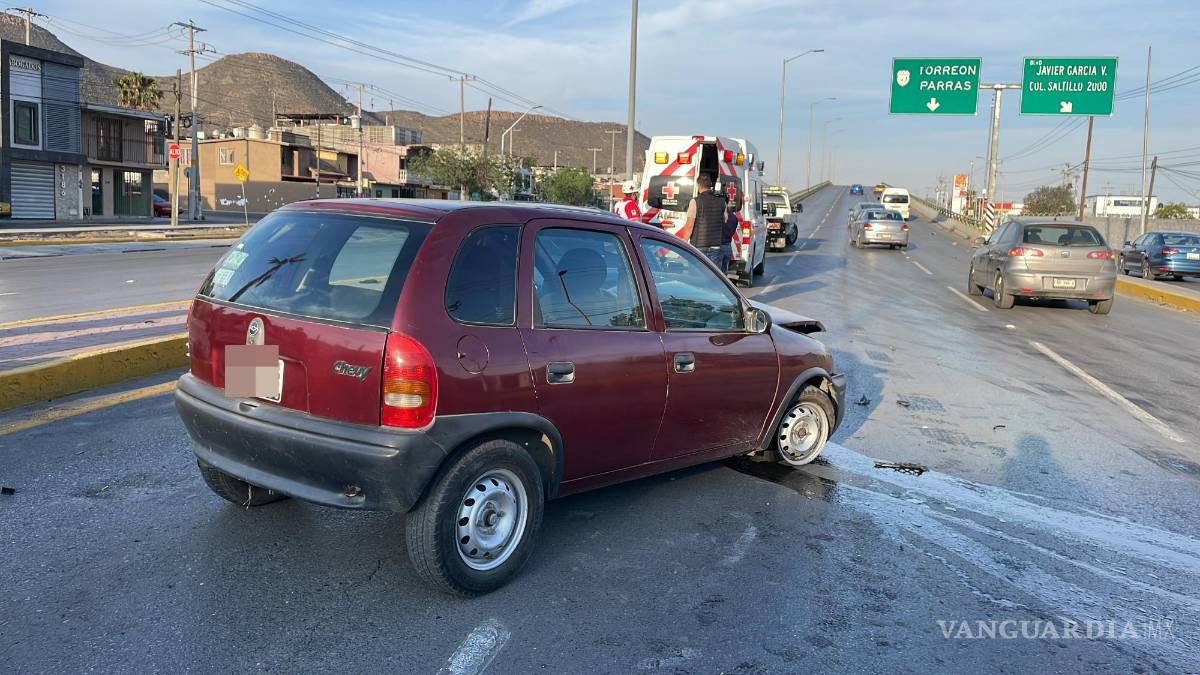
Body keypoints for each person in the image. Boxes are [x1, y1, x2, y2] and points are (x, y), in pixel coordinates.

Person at [679, 173, 727, 269]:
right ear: (711, 185)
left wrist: (683, 243)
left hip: (698, 246)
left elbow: (689, 225)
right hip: (715, 245)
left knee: (696, 277)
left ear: (699, 186)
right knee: (713, 276)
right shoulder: (722, 201)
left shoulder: (695, 201)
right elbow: (725, 220)